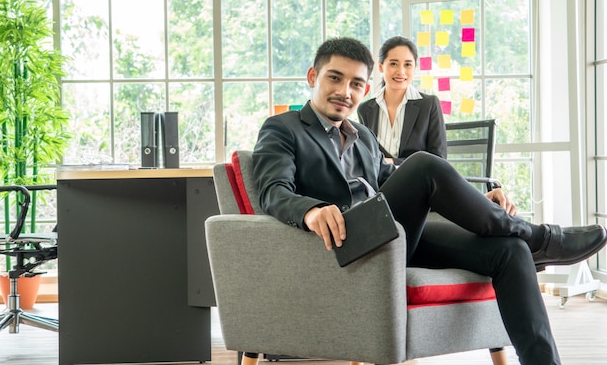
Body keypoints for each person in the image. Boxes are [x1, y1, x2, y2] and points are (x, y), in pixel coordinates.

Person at [252, 37, 607, 365]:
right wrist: (311, 210)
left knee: (509, 249)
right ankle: (542, 239)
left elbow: (398, 185)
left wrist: (476, 200)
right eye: (334, 78)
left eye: (356, 84)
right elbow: (273, 191)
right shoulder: (283, 128)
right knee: (422, 163)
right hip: (347, 244)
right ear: (313, 76)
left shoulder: (363, 137)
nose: (345, 92)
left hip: (392, 238)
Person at [358, 35, 446, 165]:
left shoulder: (429, 104)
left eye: (408, 65)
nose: (401, 71)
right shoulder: (365, 109)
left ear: (414, 67)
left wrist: (391, 162)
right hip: (380, 184)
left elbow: (439, 160)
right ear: (381, 66)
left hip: (420, 182)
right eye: (393, 64)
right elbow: (367, 159)